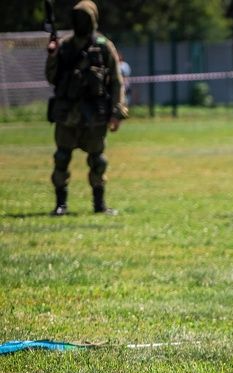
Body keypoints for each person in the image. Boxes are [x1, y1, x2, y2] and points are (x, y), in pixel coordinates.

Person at [45, 0, 127, 216]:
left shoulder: (103, 45)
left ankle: (99, 204)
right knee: (62, 157)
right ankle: (60, 204)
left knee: (98, 160)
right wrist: (52, 56)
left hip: (95, 115)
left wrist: (117, 112)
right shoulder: (64, 46)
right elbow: (51, 78)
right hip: (67, 114)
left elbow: (117, 81)